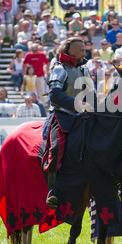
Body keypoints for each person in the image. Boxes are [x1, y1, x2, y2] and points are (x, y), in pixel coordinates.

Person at [42, 37, 95, 208]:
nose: (84, 53)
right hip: (61, 116)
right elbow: (54, 96)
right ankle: (53, 191)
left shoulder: (84, 71)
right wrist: (78, 104)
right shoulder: (59, 69)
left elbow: (91, 95)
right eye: (81, 50)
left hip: (82, 116)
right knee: (56, 150)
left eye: (85, 50)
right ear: (70, 51)